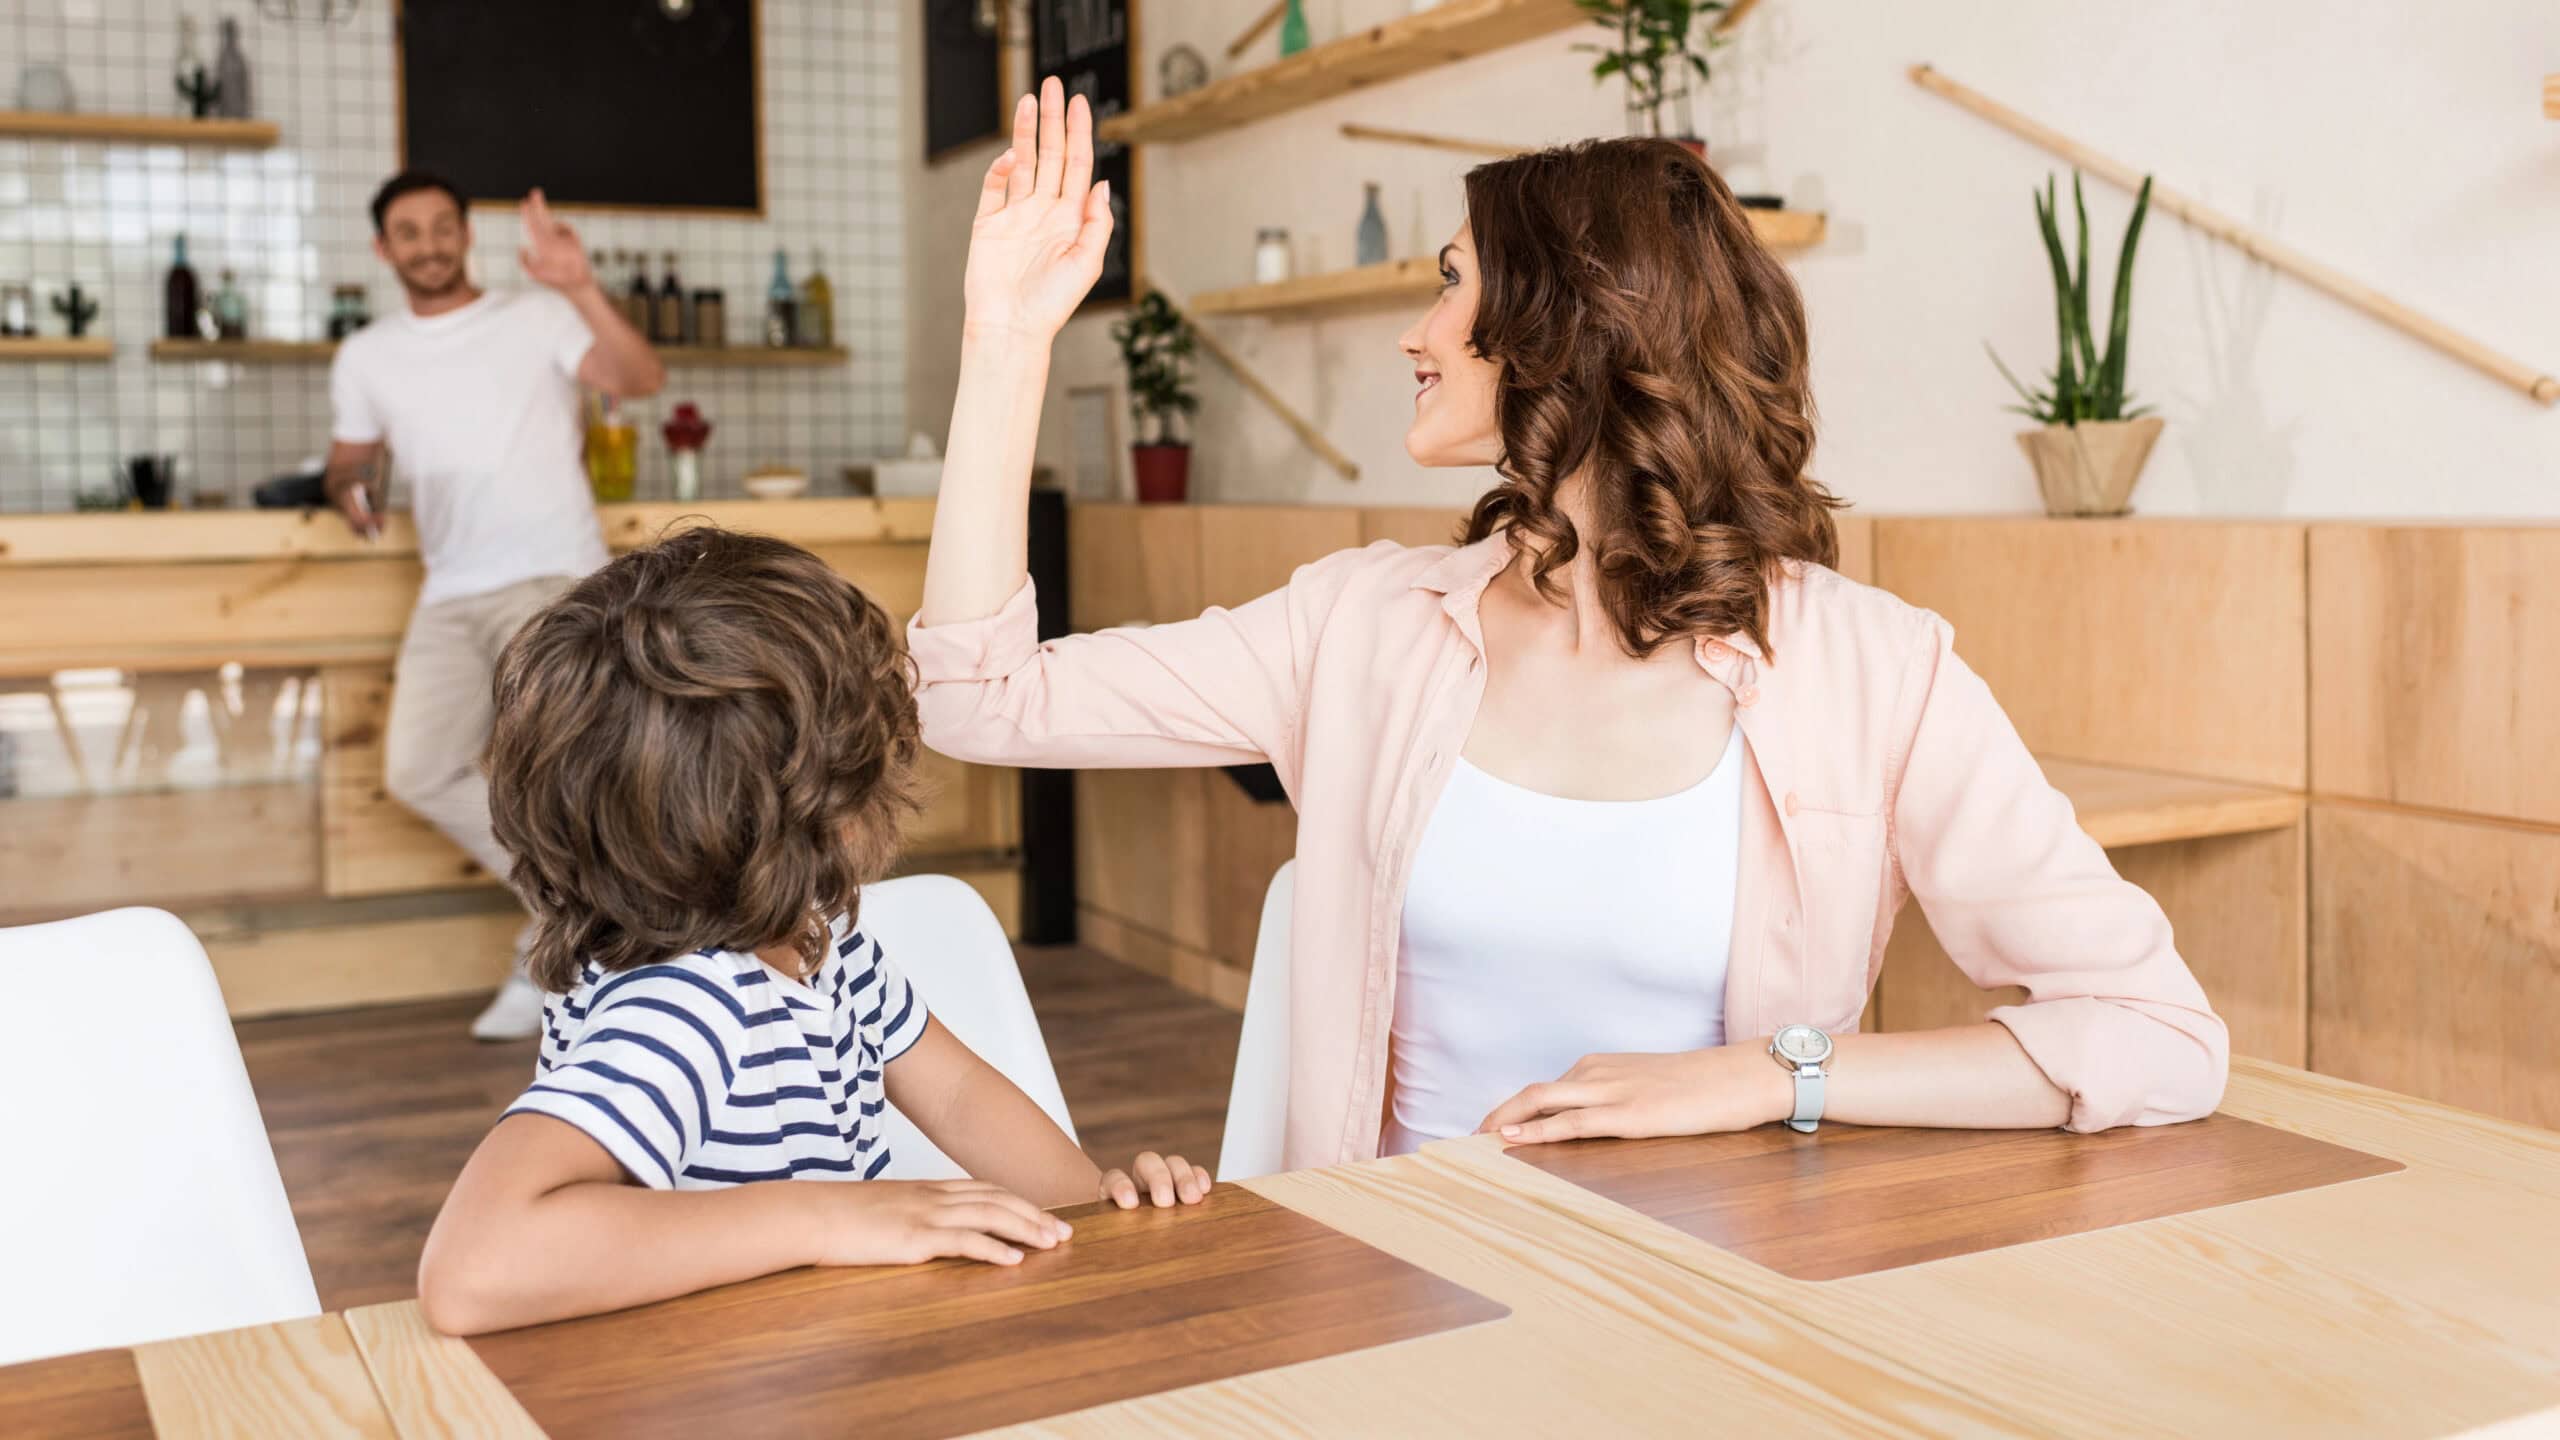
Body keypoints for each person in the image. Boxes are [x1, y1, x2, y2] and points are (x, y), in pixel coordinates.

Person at [908, 83, 2228, 1172]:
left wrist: (1769, 1079)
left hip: (1713, 1318)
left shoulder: (1876, 671)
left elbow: (2158, 1036)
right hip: (1394, 1311)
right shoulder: (1365, 627)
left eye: (1451, 285)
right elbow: (979, 698)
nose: (1417, 334)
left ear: (1561, 334)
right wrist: (1006, 342)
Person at [416, 528, 1209, 1336]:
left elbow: (959, 1096)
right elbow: (472, 1270)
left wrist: (1095, 1223)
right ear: (821, 799)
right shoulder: (688, 1003)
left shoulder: (820, 940)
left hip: (817, 1355)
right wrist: (827, 1218)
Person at [324, 172, 666, 1039]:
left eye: (444, 227)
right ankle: (575, 919)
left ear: (464, 234)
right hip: (448, 590)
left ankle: (563, 946)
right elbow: (348, 457)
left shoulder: (536, 316)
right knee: (415, 770)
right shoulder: (367, 355)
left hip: (552, 582)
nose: (430, 244)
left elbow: (641, 377)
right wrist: (347, 485)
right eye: (410, 232)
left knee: (560, 781)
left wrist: (579, 286)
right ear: (382, 249)